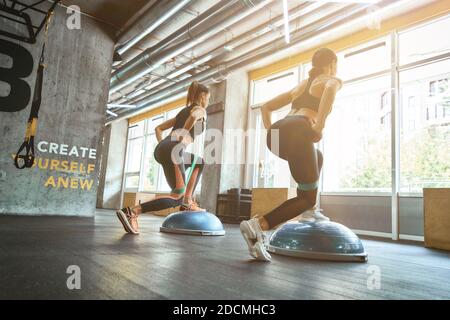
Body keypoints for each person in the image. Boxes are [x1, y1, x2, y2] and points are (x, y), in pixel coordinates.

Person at [240, 48, 343, 261]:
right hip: (298, 130)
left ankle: (309, 210)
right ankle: (258, 225)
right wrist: (319, 127)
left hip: (278, 134)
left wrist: (272, 133)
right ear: (332, 64)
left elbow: (266, 107)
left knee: (318, 156)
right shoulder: (330, 79)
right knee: (305, 196)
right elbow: (331, 89)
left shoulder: (301, 86)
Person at [116, 81, 210, 235]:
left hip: (163, 149)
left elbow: (158, 128)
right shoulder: (200, 110)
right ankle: (132, 211)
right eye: (208, 98)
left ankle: (187, 202)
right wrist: (181, 138)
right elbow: (193, 117)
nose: (208, 101)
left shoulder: (182, 112)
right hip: (173, 149)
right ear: (202, 96)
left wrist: (166, 146)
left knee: (199, 162)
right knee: (176, 196)